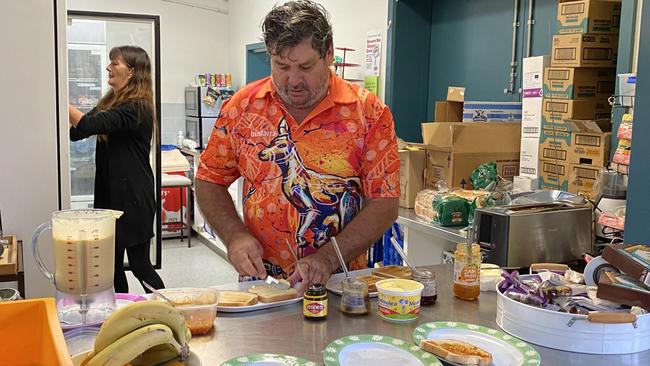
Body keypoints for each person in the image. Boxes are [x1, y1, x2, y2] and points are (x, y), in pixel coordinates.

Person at [196, 0, 399, 292]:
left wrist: (328, 258)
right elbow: (209, 180)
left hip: (341, 285)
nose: (293, 80)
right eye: (281, 66)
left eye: (305, 67)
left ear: (329, 55)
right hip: (262, 287)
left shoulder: (368, 113)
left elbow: (385, 203)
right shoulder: (242, 108)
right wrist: (234, 235)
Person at [69, 45, 164, 294]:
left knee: (140, 265)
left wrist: (57, 98)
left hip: (133, 198)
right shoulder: (110, 103)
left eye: (115, 63)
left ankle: (169, 311)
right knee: (111, 267)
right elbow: (77, 132)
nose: (109, 67)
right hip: (111, 198)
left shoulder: (137, 107)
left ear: (132, 72)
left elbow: (88, 124)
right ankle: (121, 315)